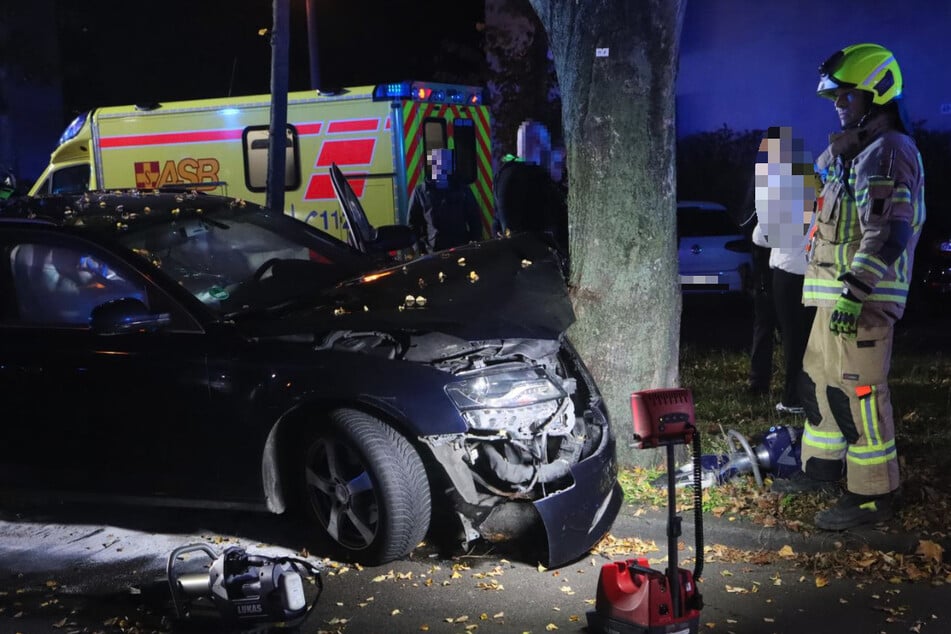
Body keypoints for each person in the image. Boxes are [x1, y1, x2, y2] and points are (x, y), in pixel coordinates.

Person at [771, 43, 926, 532]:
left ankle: (872, 496)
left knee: (861, 393)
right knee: (819, 383)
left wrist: (855, 293)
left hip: (861, 300)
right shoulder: (859, 152)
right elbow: (816, 184)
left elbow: (889, 232)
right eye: (835, 99)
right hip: (832, 297)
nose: (839, 106)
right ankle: (820, 469)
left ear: (875, 95)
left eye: (846, 97)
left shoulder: (889, 151)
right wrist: (839, 148)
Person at [750, 126, 819, 414]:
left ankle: (792, 399)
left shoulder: (781, 192)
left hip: (787, 275)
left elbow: (759, 236)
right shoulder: (818, 184)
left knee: (792, 340)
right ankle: (808, 396)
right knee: (809, 339)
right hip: (816, 272)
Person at [408, 148, 483, 253]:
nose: (442, 167)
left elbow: (474, 218)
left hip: (460, 249)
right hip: (434, 252)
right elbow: (413, 224)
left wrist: (474, 243)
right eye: (438, 164)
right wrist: (420, 249)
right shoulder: (421, 192)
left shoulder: (461, 189)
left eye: (445, 164)